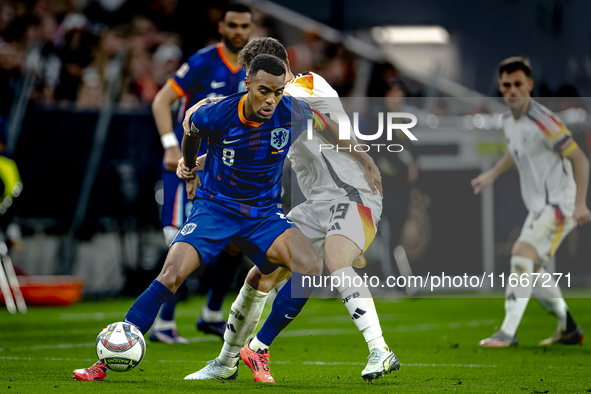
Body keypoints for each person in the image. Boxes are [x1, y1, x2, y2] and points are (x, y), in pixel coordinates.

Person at [71, 53, 364, 382]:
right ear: (248, 83)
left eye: (279, 91)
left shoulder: (293, 112)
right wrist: (190, 167)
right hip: (215, 208)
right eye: (264, 90)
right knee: (170, 275)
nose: (271, 100)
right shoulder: (217, 113)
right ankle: (105, 362)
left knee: (310, 266)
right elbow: (191, 131)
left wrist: (363, 162)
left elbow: (332, 130)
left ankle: (258, 348)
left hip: (262, 214)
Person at [181, 37, 398, 383]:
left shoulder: (307, 86)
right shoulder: (273, 112)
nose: (259, 89)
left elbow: (264, 112)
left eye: (260, 77)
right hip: (314, 205)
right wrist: (198, 162)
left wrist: (207, 105)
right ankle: (226, 362)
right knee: (260, 275)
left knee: (335, 259)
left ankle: (379, 349)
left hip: (353, 194)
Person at [149, 4, 252, 343]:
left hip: (225, 170)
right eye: (233, 24)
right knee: (181, 240)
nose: (238, 31)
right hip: (188, 166)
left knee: (236, 245)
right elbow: (161, 101)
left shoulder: (253, 69)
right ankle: (164, 322)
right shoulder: (202, 62)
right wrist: (170, 145)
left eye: (244, 25)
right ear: (221, 25)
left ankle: (211, 313)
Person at [472, 57, 590, 347]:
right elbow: (516, 151)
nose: (512, 90)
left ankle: (507, 332)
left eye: (518, 85)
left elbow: (579, 159)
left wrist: (580, 204)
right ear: (500, 87)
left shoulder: (545, 121)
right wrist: (491, 174)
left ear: (530, 86)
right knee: (533, 270)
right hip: (540, 207)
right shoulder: (509, 121)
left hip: (559, 205)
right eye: (507, 85)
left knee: (521, 254)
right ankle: (568, 327)